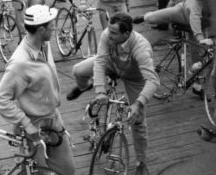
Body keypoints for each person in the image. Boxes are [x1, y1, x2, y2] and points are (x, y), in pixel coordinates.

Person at [66, 13, 159, 175]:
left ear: (126, 34)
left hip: (134, 78)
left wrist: (138, 103)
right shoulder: (107, 35)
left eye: (114, 33)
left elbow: (153, 81)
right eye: (109, 30)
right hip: (112, 64)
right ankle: (84, 87)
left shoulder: (140, 47)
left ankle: (141, 163)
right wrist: (100, 90)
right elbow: (100, 61)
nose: (109, 35)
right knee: (78, 71)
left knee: (138, 121)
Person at [0, 5, 75, 175]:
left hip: (53, 120)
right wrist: (26, 125)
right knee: (37, 173)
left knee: (67, 170)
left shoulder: (45, 45)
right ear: (41, 29)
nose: (55, 26)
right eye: (51, 24)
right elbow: (1, 99)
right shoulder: (20, 63)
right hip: (32, 128)